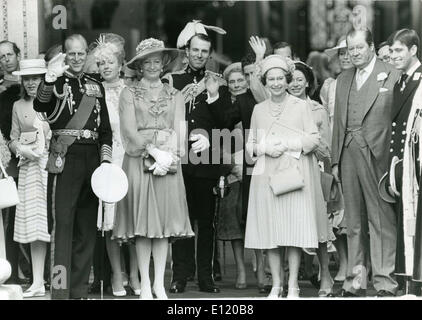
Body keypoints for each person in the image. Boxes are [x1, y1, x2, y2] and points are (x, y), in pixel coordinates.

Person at [113, 38, 194, 300]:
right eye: (146, 61)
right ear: (139, 66)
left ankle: (160, 282)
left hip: (168, 162)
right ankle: (145, 283)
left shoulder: (175, 94)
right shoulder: (129, 93)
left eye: (156, 61)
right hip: (139, 161)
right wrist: (152, 151)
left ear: (163, 64)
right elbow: (128, 129)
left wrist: (169, 156)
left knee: (163, 228)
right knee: (143, 227)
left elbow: (180, 128)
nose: (152, 66)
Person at [33, 34, 113, 299]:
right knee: (63, 229)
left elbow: (105, 131)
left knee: (87, 229)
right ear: (64, 56)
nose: (77, 59)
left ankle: (78, 291)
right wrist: (49, 78)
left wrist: (105, 163)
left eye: (81, 54)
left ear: (86, 55)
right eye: (72, 54)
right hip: (65, 159)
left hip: (92, 160)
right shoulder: (56, 82)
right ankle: (60, 290)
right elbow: (40, 104)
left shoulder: (95, 85)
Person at [244, 54, 321, 299]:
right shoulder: (258, 109)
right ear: (265, 82)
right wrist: (264, 147)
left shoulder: (302, 106)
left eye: (280, 78)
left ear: (287, 80)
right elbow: (250, 145)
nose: (276, 83)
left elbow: (313, 139)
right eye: (271, 79)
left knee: (293, 230)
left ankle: (293, 285)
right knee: (272, 232)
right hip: (266, 176)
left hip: (293, 175)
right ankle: (277, 284)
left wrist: (289, 144)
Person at [331, 28, 400, 297]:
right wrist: (335, 160)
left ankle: (385, 281)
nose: (355, 53)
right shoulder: (343, 78)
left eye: (359, 47)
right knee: (353, 222)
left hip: (378, 153)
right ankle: (356, 280)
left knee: (381, 219)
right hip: (348, 152)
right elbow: (338, 122)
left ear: (371, 46)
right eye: (351, 48)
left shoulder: (392, 73)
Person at [163, 21, 229, 294]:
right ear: (187, 51)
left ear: (209, 54)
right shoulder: (172, 81)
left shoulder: (218, 82)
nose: (200, 55)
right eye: (196, 50)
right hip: (180, 160)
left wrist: (213, 100)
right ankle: (180, 275)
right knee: (181, 220)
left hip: (207, 161)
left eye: (205, 51)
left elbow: (227, 123)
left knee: (206, 223)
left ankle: (205, 277)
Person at [92, 33, 141, 297]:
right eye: (101, 64)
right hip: (108, 157)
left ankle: (135, 274)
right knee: (110, 222)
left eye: (110, 62)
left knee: (131, 221)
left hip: (130, 156)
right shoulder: (94, 92)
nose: (106, 67)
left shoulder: (130, 91)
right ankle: (116, 274)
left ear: (120, 64)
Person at [379, 28, 422, 295]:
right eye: (391, 51)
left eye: (398, 51)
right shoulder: (401, 81)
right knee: (407, 220)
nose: (393, 56)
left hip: (417, 163)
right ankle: (411, 282)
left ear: (413, 50)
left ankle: (417, 284)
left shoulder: (420, 79)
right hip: (403, 163)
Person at [288, 61, 336, 296]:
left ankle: (325, 272)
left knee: (318, 225)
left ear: (307, 82)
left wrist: (309, 143)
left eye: (299, 79)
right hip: (287, 173)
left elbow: (327, 147)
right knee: (289, 225)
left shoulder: (317, 109)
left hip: (314, 170)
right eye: (291, 79)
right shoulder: (280, 108)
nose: (295, 83)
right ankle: (290, 280)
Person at [8, 59, 51, 298]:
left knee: (55, 225)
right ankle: (37, 281)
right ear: (22, 81)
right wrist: (20, 150)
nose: (32, 82)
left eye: (36, 77)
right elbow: (13, 137)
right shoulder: (18, 105)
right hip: (29, 168)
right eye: (28, 78)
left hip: (52, 166)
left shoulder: (54, 101)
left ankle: (60, 280)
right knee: (35, 228)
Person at [321, 37, 352, 283]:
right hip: (335, 153)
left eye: (349, 52)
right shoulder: (330, 85)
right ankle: (344, 264)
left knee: (357, 213)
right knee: (337, 212)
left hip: (358, 151)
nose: (345, 57)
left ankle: (361, 264)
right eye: (341, 53)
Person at [0, 40, 28, 285]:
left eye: (10, 54)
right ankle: (12, 269)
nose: (6, 59)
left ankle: (34, 271)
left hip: (30, 157)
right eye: (2, 57)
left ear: (18, 56)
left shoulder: (29, 83)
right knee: (10, 215)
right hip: (7, 159)